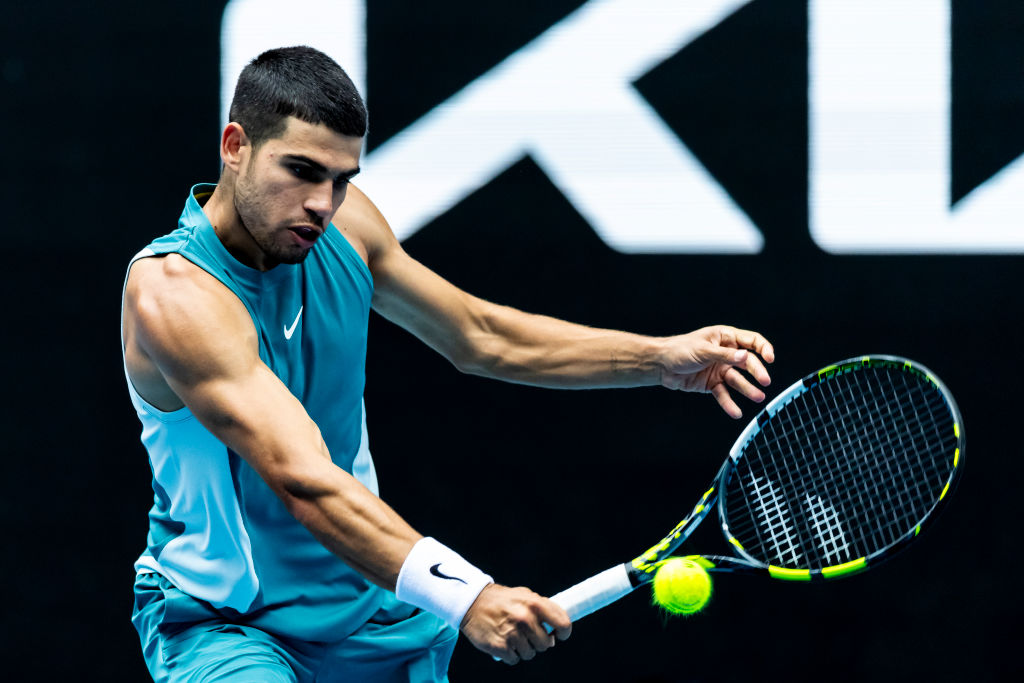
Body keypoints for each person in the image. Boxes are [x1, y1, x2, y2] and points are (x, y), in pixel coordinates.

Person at [121, 46, 774, 682]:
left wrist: (658, 357)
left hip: (373, 612)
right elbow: (303, 479)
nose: (323, 201)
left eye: (342, 179)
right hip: (227, 623)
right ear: (235, 146)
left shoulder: (345, 231)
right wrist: (466, 595)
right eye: (301, 169)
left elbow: (480, 335)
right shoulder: (175, 292)